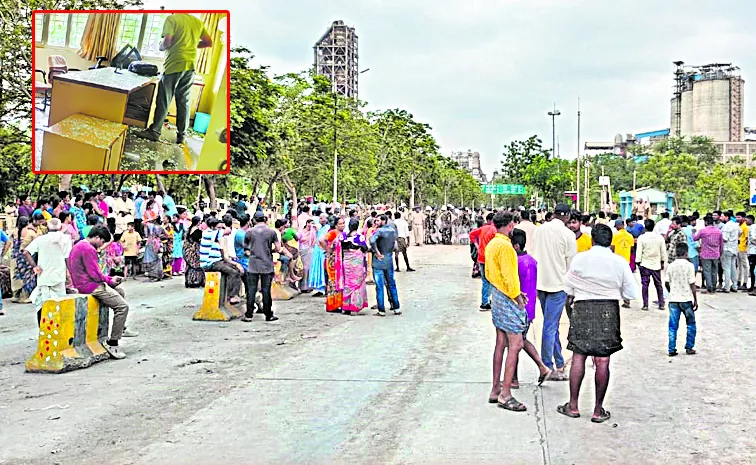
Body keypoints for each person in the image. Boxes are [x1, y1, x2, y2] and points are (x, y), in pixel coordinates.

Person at [558, 224, 639, 423]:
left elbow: (567, 285)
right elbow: (631, 293)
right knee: (602, 360)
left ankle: (573, 405)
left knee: (579, 356)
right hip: (607, 311)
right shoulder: (618, 262)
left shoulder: (580, 258)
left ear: (592, 240)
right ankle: (597, 409)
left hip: (583, 309)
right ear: (610, 243)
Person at [136, 13, 213, 144]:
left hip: (173, 64)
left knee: (164, 100)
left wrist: (160, 46)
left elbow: (167, 41)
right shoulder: (197, 21)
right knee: (184, 102)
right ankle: (182, 135)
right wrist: (191, 45)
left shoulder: (172, 19)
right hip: (190, 66)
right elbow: (208, 42)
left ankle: (154, 132)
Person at [68, 226, 138, 359]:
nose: (102, 245)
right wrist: (110, 280)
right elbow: (95, 275)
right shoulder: (88, 249)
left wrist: (110, 281)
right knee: (122, 307)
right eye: (102, 241)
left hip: (84, 283)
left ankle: (121, 327)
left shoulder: (80, 245)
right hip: (90, 285)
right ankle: (113, 342)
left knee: (120, 292)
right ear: (97, 238)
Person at [484, 212, 528, 411]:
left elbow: (489, 272)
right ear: (510, 225)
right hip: (507, 295)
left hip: (497, 293)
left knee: (500, 343)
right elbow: (511, 278)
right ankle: (505, 393)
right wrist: (518, 298)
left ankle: (495, 388)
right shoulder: (506, 247)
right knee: (516, 343)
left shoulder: (492, 244)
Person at [531, 204, 577, 380]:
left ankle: (558, 362)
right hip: (559, 286)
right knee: (550, 327)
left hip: (541, 284)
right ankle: (547, 366)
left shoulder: (540, 230)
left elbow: (535, 255)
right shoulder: (568, 235)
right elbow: (571, 266)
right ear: (566, 217)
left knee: (552, 326)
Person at [509, 228, 553, 391]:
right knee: (521, 340)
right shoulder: (532, 260)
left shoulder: (516, 263)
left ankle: (514, 378)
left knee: (514, 343)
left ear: (516, 246)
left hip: (518, 308)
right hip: (529, 309)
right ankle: (540, 367)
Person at [24, 219, 72, 325]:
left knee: (42, 304)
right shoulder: (65, 239)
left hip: (43, 277)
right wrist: (70, 274)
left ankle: (43, 330)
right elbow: (67, 258)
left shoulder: (41, 239)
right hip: (58, 277)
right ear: (60, 228)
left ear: (47, 228)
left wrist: (34, 266)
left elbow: (26, 252)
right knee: (59, 304)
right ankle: (57, 330)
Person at [243, 211, 280, 322]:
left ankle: (249, 315)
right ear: (265, 219)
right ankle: (268, 315)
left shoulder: (249, 232)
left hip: (253, 265)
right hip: (267, 264)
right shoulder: (271, 232)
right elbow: (278, 248)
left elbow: (246, 248)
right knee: (266, 290)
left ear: (254, 220)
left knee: (251, 289)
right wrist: (269, 250)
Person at [201, 217, 243, 305]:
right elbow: (228, 230)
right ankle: (232, 295)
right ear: (213, 227)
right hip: (210, 263)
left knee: (236, 269)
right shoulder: (211, 233)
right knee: (233, 272)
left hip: (217, 261)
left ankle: (233, 294)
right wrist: (224, 225)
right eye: (219, 227)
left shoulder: (211, 233)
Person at [665, 242, 698, 357]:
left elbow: (666, 282)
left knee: (673, 326)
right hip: (686, 299)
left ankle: (671, 348)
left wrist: (672, 292)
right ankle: (689, 347)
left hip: (674, 299)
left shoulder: (671, 265)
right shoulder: (689, 265)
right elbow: (692, 285)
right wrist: (695, 300)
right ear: (686, 252)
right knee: (691, 324)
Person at [370, 215, 400, 317]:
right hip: (388, 258)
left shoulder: (379, 231)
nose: (376, 222)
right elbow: (395, 245)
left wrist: (376, 252)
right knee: (391, 283)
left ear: (383, 221)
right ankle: (396, 307)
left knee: (379, 286)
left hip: (379, 260)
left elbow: (372, 241)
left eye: (378, 220)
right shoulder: (392, 231)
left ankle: (381, 309)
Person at [636, 219, 667, 311]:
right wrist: (662, 262)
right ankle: (661, 303)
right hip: (656, 264)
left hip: (645, 264)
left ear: (645, 227)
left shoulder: (642, 238)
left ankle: (645, 304)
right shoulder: (660, 238)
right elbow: (663, 252)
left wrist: (638, 262)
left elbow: (639, 252)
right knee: (658, 284)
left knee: (645, 285)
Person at [469, 213, 497, 311]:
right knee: (492, 281)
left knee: (485, 281)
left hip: (481, 257)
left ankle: (485, 302)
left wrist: (477, 245)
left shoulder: (482, 228)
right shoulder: (495, 230)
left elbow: (471, 234)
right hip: (490, 258)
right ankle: (488, 302)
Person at [341, 218, 369, 314]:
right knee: (357, 284)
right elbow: (365, 248)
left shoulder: (343, 236)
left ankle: (345, 307)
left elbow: (337, 247)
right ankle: (354, 307)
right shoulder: (359, 237)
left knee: (347, 283)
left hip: (346, 262)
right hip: (356, 263)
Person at [13, 215, 41, 304]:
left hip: (17, 257)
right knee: (28, 277)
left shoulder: (15, 231)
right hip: (26, 258)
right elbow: (38, 244)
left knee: (18, 276)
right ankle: (24, 297)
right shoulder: (31, 233)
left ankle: (16, 296)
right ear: (28, 223)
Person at [321, 217, 346, 313]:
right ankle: (332, 305)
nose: (342, 225)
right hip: (332, 260)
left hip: (340, 260)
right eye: (340, 224)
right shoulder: (333, 233)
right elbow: (321, 240)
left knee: (339, 281)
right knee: (333, 281)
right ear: (336, 225)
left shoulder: (343, 234)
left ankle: (339, 303)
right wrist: (328, 250)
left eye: (343, 223)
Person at [694, 216, 724, 294]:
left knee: (707, 271)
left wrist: (693, 232)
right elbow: (721, 244)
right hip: (716, 254)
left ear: (706, 222)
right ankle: (714, 287)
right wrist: (720, 253)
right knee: (714, 271)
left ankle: (709, 288)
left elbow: (695, 238)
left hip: (705, 254)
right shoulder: (719, 231)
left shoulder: (703, 231)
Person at [610, 219, 635, 308]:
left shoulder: (615, 236)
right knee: (626, 282)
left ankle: (614, 298)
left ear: (618, 226)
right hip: (626, 261)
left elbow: (612, 248)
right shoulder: (630, 236)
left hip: (617, 262)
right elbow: (632, 249)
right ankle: (626, 301)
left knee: (615, 281)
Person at [308, 213, 330, 297]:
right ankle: (320, 288)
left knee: (323, 269)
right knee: (318, 269)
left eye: (322, 218)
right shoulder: (321, 228)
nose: (320, 220)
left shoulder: (327, 228)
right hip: (318, 251)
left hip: (322, 251)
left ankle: (324, 288)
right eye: (320, 218)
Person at [720, 211, 740, 293]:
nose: (721, 218)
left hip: (727, 248)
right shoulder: (736, 225)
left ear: (726, 217)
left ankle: (727, 287)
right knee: (733, 268)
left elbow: (725, 238)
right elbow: (740, 232)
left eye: (722, 216)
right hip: (734, 248)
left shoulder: (726, 226)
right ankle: (734, 285)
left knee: (726, 268)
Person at [183, 217, 205, 288]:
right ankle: (195, 280)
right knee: (195, 265)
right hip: (194, 250)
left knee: (189, 265)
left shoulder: (188, 230)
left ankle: (188, 280)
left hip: (187, 249)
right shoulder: (198, 231)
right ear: (198, 222)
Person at [142, 218, 166, 282]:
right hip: (158, 243)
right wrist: (159, 236)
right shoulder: (161, 227)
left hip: (151, 243)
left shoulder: (151, 226)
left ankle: (153, 276)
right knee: (158, 259)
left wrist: (150, 219)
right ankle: (159, 275)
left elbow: (143, 222)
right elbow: (166, 235)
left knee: (151, 259)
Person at [298, 218, 318, 293]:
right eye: (310, 223)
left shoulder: (313, 232)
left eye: (312, 223)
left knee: (309, 268)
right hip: (303, 250)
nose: (311, 225)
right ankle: (303, 286)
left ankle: (309, 286)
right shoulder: (301, 232)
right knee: (304, 268)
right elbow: (297, 239)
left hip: (310, 250)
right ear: (306, 223)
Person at [736, 212, 750, 290]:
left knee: (745, 266)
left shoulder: (745, 227)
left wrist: (746, 248)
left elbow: (747, 238)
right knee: (739, 266)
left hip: (743, 248)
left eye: (739, 217)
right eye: (737, 217)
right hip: (737, 248)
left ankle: (745, 282)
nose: (737, 219)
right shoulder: (738, 226)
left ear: (743, 218)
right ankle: (738, 281)